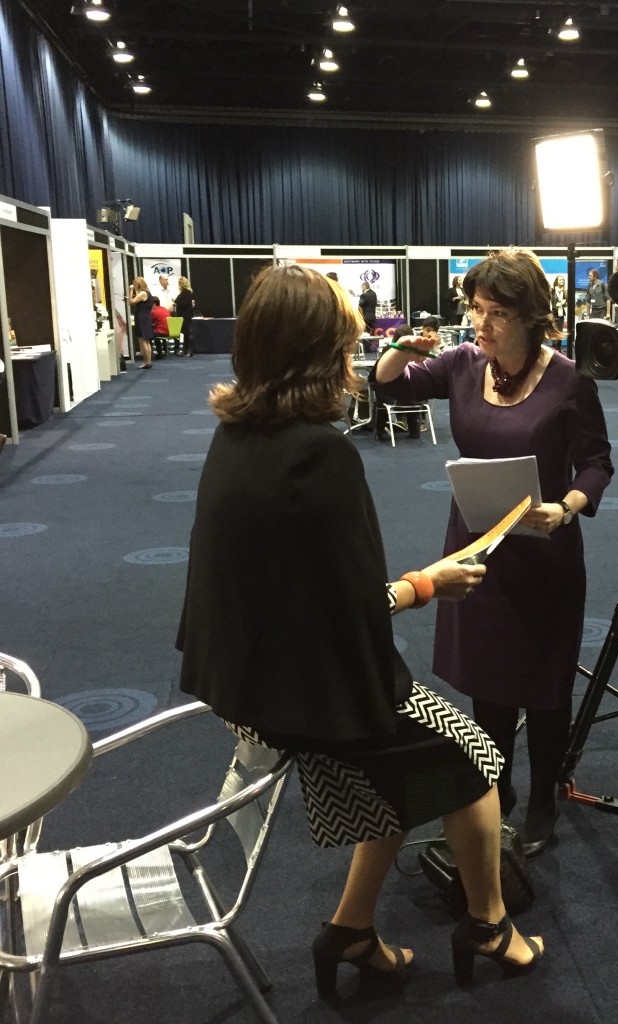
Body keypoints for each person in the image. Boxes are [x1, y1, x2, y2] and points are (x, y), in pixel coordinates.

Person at [176, 264, 542, 999]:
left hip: (245, 679)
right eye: (344, 347)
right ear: (316, 353)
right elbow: (353, 613)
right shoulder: (322, 454)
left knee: (401, 774)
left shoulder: (238, 433)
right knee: (474, 765)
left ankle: (351, 929)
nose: (353, 364)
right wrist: (425, 585)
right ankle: (490, 924)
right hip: (310, 688)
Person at [371, 248, 613, 859]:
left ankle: (543, 796)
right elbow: (389, 382)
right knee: (489, 680)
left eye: (499, 312)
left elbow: (597, 460)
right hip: (475, 549)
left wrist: (569, 505)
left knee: (546, 682)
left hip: (545, 547)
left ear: (533, 316)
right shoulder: (458, 362)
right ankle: (497, 791)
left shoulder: (568, 378)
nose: (483, 324)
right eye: (477, 309)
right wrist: (403, 342)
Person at [128, 276, 154, 369]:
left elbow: (131, 302)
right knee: (146, 340)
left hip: (141, 317)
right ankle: (148, 361)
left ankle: (147, 362)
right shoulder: (148, 293)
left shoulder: (142, 293)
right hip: (146, 317)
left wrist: (131, 290)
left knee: (143, 340)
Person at [174, 277, 196, 356]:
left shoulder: (186, 292)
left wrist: (176, 301)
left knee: (188, 333)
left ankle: (189, 350)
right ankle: (186, 350)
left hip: (185, 316)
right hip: (184, 316)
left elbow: (186, 303)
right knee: (186, 333)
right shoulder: (186, 292)